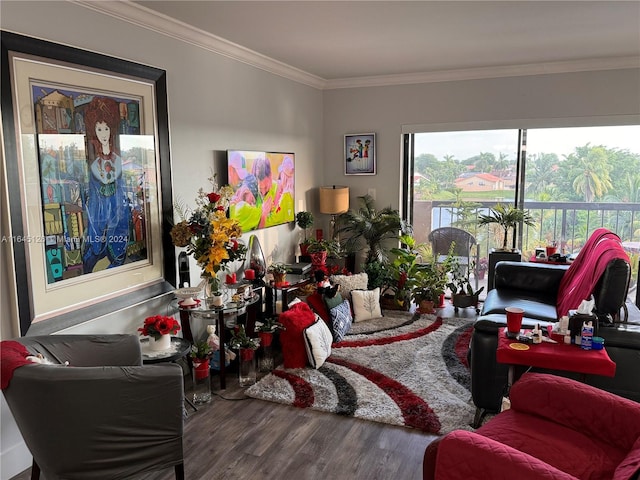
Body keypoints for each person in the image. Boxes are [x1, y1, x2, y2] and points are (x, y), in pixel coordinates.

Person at [82, 96, 130, 273]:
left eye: (106, 128)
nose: (103, 133)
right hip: (99, 217)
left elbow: (121, 192)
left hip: (118, 216)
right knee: (92, 256)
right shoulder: (94, 165)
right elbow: (94, 197)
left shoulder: (119, 161)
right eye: (99, 128)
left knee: (118, 256)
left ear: (112, 129)